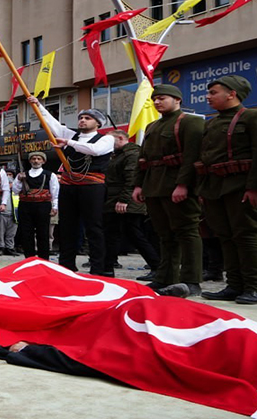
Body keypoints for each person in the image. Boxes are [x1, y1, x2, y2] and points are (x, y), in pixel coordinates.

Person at [195, 76, 257, 305]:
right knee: (225, 237)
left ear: (232, 93)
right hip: (214, 188)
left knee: (247, 236)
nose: (208, 97)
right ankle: (235, 284)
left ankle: (255, 287)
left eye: (214, 92)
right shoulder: (211, 123)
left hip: (242, 186)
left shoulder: (256, 118)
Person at [26, 96, 115, 274]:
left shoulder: (106, 139)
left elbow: (94, 150)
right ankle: (67, 265)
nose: (82, 120)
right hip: (69, 185)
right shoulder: (72, 134)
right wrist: (38, 105)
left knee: (94, 227)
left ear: (98, 123)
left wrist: (69, 143)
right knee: (67, 226)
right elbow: (53, 125)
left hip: (92, 187)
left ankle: (100, 268)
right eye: (81, 118)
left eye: (87, 118)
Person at [133, 85, 203, 297]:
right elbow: (143, 159)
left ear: (177, 100)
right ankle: (165, 278)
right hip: (155, 186)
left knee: (187, 233)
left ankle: (192, 281)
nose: (157, 102)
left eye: (162, 98)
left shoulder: (191, 122)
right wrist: (138, 185)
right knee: (165, 235)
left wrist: (183, 185)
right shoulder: (153, 126)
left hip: (176, 185)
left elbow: (192, 156)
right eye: (155, 99)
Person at [103, 129, 159, 281]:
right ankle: (107, 267)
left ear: (121, 138)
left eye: (110, 141)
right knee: (114, 234)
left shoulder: (132, 154)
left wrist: (124, 200)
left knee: (134, 234)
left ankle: (156, 266)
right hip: (116, 199)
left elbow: (131, 179)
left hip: (125, 201)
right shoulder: (119, 155)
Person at [13, 152, 58, 261]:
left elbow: (55, 192)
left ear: (43, 161)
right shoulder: (23, 175)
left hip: (43, 205)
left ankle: (44, 259)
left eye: (39, 159)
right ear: (30, 161)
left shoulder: (50, 175)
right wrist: (19, 180)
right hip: (26, 206)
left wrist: (55, 206)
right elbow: (15, 190)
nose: (36, 161)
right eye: (33, 158)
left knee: (43, 232)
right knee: (26, 232)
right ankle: (29, 258)